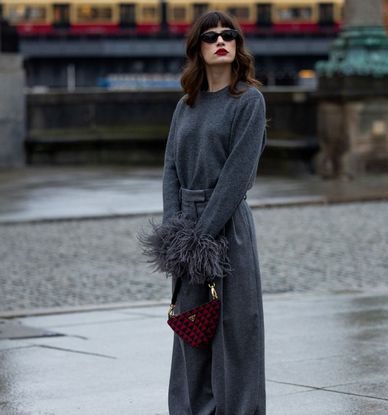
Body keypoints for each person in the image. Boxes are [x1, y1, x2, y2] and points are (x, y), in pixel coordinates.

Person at [139, 10, 267, 415]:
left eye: (228, 35)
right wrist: (177, 231)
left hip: (227, 225)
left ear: (237, 45)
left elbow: (237, 177)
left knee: (234, 331)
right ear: (198, 48)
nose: (220, 41)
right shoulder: (186, 105)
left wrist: (202, 235)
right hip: (186, 228)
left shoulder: (248, 101)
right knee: (192, 328)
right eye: (210, 36)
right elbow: (171, 169)